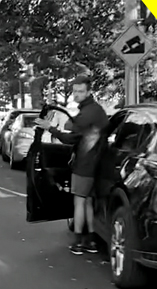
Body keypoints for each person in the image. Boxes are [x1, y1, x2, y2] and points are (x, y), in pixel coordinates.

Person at [34, 75, 109, 255]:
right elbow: (74, 128)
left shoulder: (89, 112)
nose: (76, 95)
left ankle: (78, 242)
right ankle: (90, 240)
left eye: (80, 91)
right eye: (75, 91)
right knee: (88, 201)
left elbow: (70, 135)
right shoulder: (93, 110)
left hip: (85, 163)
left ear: (89, 92)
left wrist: (49, 127)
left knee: (79, 202)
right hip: (95, 162)